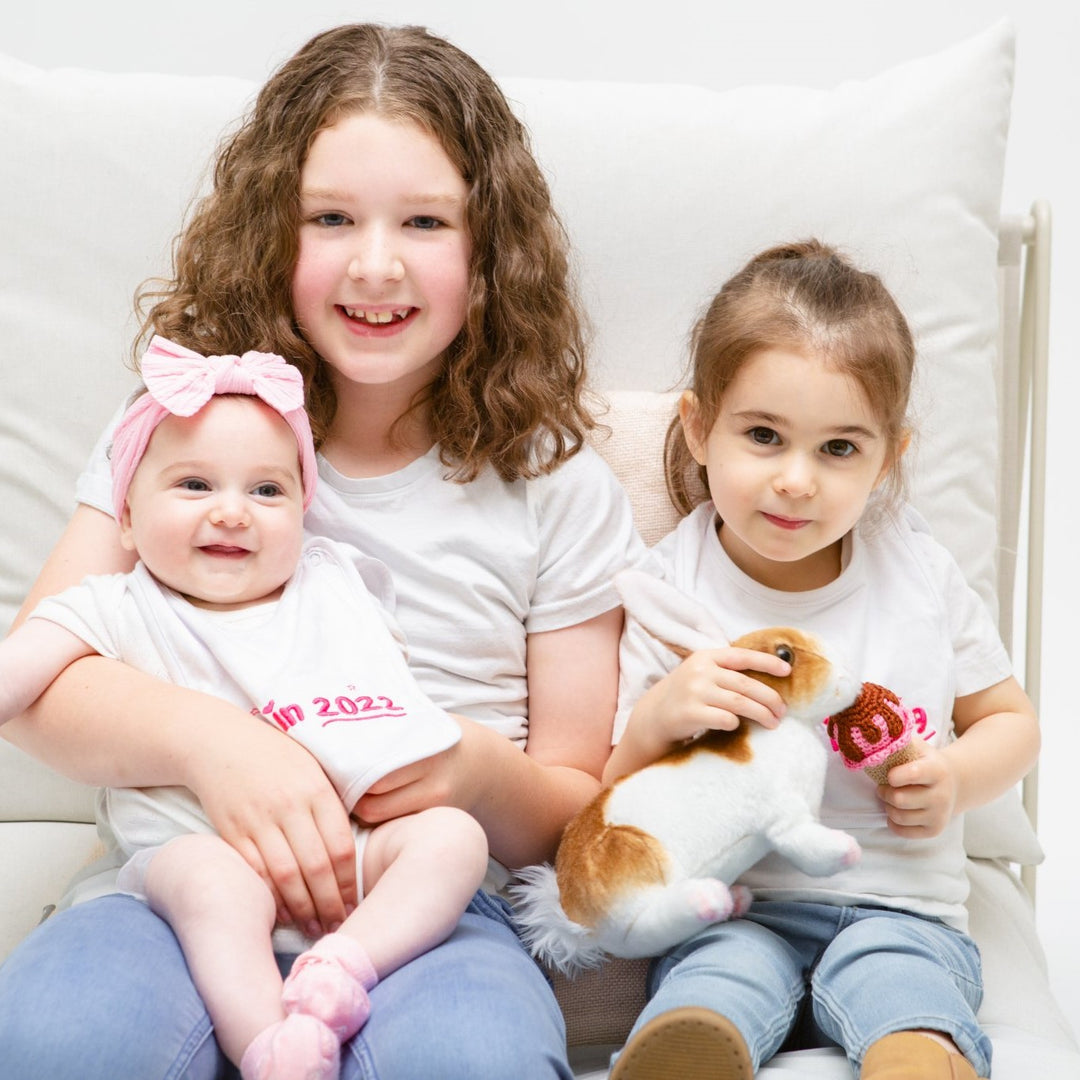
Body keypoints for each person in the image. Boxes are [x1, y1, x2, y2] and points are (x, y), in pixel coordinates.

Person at [0, 24, 644, 1080]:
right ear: (269, 233)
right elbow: (35, 687)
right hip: (175, 877)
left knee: (473, 1063)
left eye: (426, 222)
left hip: (426, 905)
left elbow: (582, 805)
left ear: (490, 252)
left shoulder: (552, 485)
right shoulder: (183, 432)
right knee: (61, 1041)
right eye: (331, 219)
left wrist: (476, 773)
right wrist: (219, 745)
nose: (375, 263)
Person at [605, 241, 1039, 1080]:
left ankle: (917, 1055)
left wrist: (954, 779)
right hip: (732, 906)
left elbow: (1013, 723)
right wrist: (661, 715)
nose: (797, 480)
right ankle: (689, 1049)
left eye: (839, 449)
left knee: (903, 985)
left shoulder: (915, 571)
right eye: (764, 436)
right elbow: (612, 784)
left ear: (890, 456)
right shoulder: (670, 587)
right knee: (713, 981)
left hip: (899, 907)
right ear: (698, 427)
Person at [0, 338, 490, 1080]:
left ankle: (342, 967)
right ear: (126, 521)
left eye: (267, 492)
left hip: (349, 856)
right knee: (208, 880)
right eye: (194, 486)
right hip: (197, 854)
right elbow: (14, 681)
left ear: (304, 517)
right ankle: (269, 1041)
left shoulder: (333, 581)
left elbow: (389, 691)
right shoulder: (111, 605)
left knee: (453, 837)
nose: (233, 513)